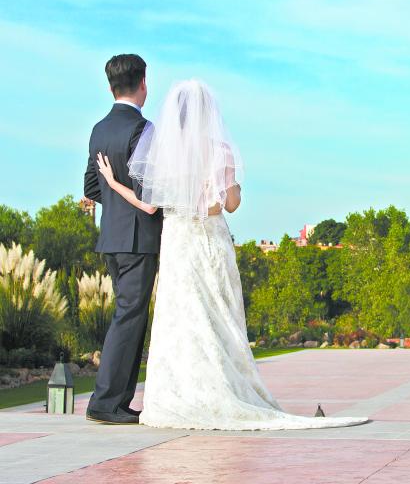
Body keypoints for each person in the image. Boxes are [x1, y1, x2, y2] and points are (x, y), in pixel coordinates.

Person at [95, 78, 367, 430]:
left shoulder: (164, 151)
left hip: (177, 244)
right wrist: (231, 185)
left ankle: (176, 393)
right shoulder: (219, 149)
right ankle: (224, 388)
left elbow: (149, 206)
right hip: (208, 239)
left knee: (181, 319)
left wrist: (114, 184)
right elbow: (231, 204)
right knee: (219, 316)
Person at [83, 54, 162, 425]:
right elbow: (151, 193)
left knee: (128, 317)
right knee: (129, 318)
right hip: (138, 238)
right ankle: (105, 403)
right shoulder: (145, 130)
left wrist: (114, 199)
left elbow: (89, 186)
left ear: (110, 85)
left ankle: (118, 401)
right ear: (143, 83)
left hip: (112, 237)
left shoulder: (99, 129)